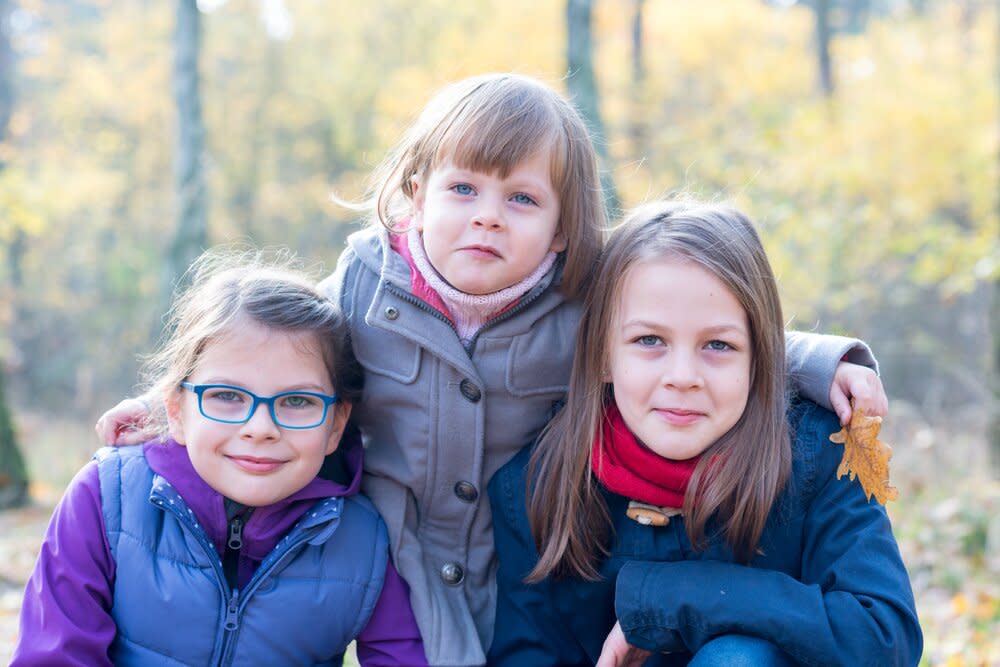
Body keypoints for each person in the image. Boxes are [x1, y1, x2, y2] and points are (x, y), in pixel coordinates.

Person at [94, 74, 888, 666]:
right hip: (405, 566)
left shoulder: (583, 303)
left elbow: (706, 328)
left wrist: (821, 361)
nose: (485, 214)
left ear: (564, 228)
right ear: (414, 194)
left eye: (520, 199)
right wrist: (171, 410)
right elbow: (268, 355)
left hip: (508, 562)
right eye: (464, 187)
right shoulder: (366, 291)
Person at [488, 201, 922, 666]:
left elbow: (884, 637)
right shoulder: (538, 483)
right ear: (603, 355)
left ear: (760, 359)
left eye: (718, 345)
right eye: (649, 341)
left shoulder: (820, 456)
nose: (683, 376)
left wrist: (672, 597)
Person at [15, 249, 427, 666]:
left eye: (298, 400)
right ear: (175, 410)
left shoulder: (365, 540)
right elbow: (55, 655)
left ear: (336, 425)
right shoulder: (106, 498)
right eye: (227, 396)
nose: (261, 427)